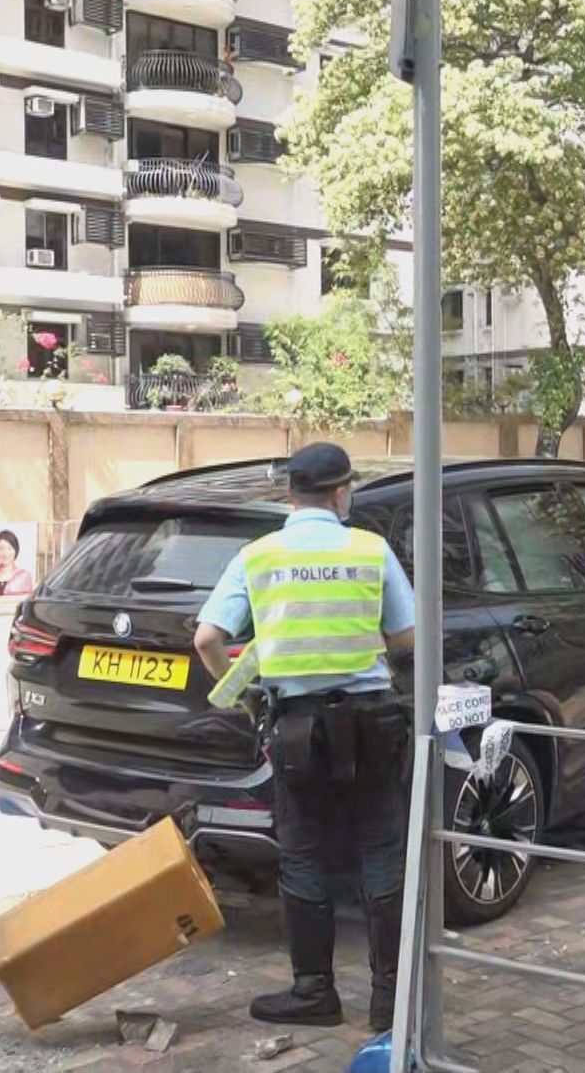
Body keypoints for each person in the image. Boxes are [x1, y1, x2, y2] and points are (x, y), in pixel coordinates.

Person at [193, 442, 417, 1032]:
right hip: (373, 725)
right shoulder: (371, 550)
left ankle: (314, 991)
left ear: (290, 495)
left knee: (305, 855)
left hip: (297, 730)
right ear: (342, 493)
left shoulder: (258, 556)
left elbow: (207, 640)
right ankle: (389, 1002)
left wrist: (249, 698)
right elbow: (408, 636)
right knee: (382, 854)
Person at [0, 530, 35, 597]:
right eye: (1, 549)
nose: (6, 553)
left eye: (10, 548)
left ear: (16, 550)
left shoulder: (24, 576)